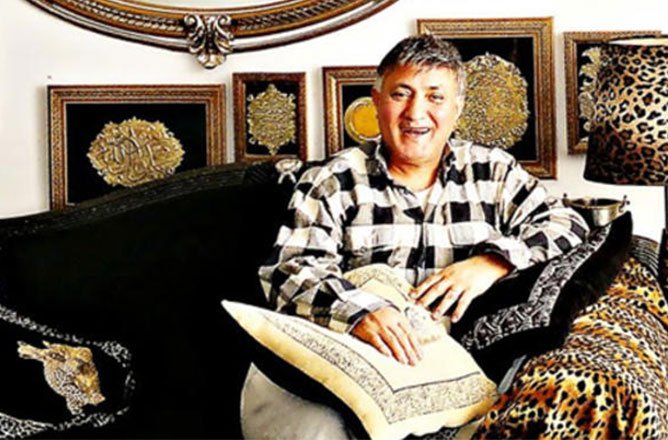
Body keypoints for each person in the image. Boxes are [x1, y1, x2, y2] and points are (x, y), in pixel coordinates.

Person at [243, 34, 589, 438]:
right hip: (339, 375)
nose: (416, 112)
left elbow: (567, 223)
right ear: (376, 101)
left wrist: (491, 263)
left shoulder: (493, 172)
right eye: (401, 94)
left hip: (451, 373)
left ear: (457, 107)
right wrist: (360, 313)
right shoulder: (335, 179)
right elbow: (290, 271)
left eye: (435, 97)